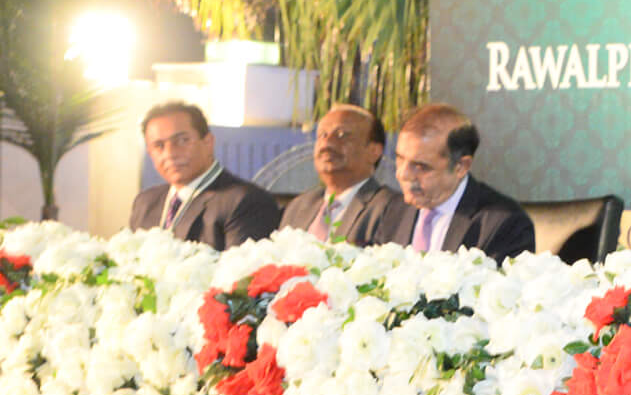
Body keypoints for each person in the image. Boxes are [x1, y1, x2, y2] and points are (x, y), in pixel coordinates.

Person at [357, 103, 536, 261]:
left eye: (420, 166)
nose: (402, 174)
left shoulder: (503, 224)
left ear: (461, 167)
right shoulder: (394, 210)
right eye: (400, 158)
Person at [127, 101, 280, 249]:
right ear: (150, 153)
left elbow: (242, 266)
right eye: (159, 146)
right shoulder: (145, 203)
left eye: (182, 140)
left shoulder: (247, 201)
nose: (170, 154)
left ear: (208, 142)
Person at [280, 104, 408, 244]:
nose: (327, 143)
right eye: (322, 135)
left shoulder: (390, 208)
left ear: (373, 151)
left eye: (341, 134)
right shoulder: (298, 206)